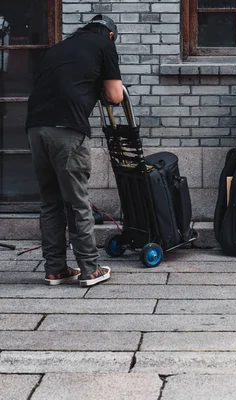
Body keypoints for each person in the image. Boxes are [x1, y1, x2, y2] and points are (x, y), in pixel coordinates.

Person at [26, 15, 123, 287]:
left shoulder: (58, 48)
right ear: (111, 35)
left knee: (50, 203)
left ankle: (55, 269)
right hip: (67, 130)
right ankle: (90, 269)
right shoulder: (104, 45)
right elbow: (115, 96)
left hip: (35, 128)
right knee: (77, 202)